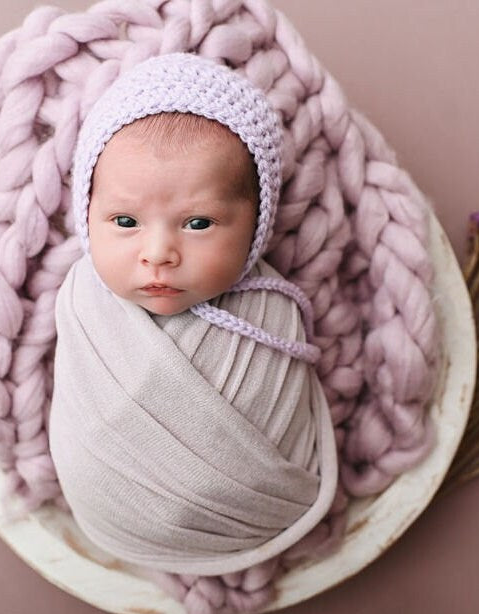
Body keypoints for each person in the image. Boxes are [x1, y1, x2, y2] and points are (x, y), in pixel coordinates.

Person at [48, 53, 338, 578]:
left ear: (257, 224)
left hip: (259, 515)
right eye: (125, 220)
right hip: (110, 514)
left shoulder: (271, 311)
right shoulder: (82, 302)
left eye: (199, 222)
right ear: (85, 214)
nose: (158, 252)